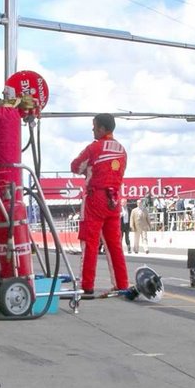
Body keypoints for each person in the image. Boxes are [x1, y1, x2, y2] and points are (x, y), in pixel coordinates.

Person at [69, 113, 130, 297]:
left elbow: (75, 166)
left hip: (95, 198)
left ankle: (87, 286)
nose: (93, 130)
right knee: (114, 245)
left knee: (90, 243)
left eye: (94, 126)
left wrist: (88, 172)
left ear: (102, 129)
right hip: (114, 199)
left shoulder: (94, 148)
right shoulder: (122, 150)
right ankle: (122, 284)